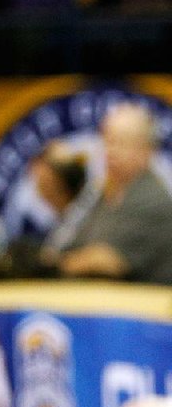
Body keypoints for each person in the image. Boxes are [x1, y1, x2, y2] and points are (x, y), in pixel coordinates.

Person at [43, 102, 172, 284]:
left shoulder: (153, 199)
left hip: (143, 308)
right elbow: (71, 243)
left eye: (122, 143)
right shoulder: (104, 193)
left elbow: (107, 261)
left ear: (147, 151)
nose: (110, 151)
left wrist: (48, 266)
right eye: (107, 141)